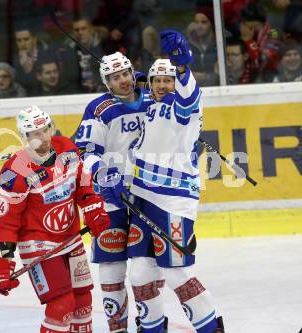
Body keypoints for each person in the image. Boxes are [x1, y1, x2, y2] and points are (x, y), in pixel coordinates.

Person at [128, 30, 224, 332]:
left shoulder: (185, 108)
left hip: (172, 201)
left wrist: (181, 67)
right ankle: (152, 328)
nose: (161, 85)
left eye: (167, 80)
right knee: (140, 273)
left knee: (176, 274)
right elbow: (138, 96)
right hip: (142, 197)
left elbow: (188, 96)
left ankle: (211, 328)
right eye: (157, 80)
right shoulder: (150, 106)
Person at [0, 105, 111, 333]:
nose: (43, 137)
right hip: (38, 244)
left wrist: (92, 206)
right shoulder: (14, 170)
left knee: (83, 301)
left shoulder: (67, 148)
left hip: (71, 238)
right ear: (25, 137)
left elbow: (83, 186)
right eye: (35, 134)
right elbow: (7, 219)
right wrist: (6, 259)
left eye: (46, 129)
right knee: (62, 305)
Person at [74, 51, 155, 333]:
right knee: (112, 263)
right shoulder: (99, 109)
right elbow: (82, 152)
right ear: (106, 82)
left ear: (134, 73)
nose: (122, 80)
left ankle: (151, 322)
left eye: (125, 74)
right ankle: (117, 327)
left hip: (148, 194)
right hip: (111, 196)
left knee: (146, 264)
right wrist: (102, 173)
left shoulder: (153, 100)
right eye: (114, 77)